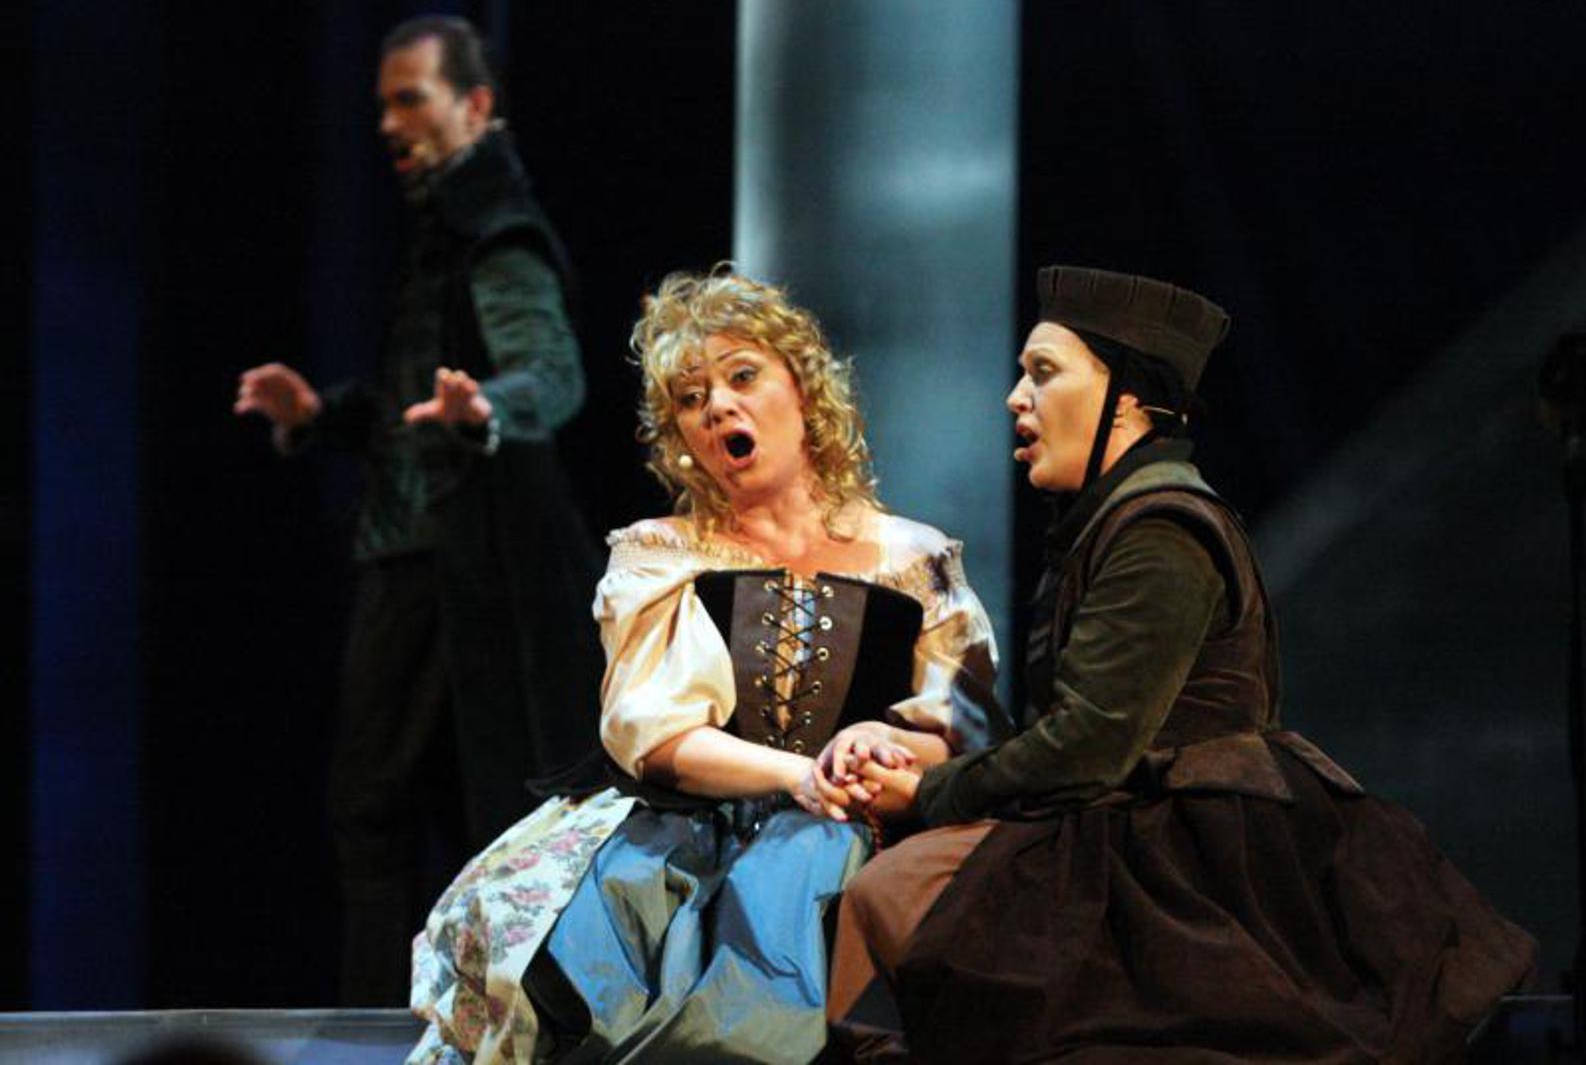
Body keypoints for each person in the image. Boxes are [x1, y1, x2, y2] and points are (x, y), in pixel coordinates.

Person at [826, 266, 1537, 1062]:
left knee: (905, 904)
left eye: (1044, 372)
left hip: (1182, 856)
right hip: (1122, 822)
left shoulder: (1159, 530)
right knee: (893, 905)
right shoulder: (1108, 526)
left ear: (1129, 400)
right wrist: (931, 764)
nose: (1016, 397)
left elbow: (1089, 744)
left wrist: (929, 793)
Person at [407, 268, 1006, 1064]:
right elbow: (655, 737)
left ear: (804, 390)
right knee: (580, 940)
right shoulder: (662, 555)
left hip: (860, 824)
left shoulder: (913, 558)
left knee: (834, 887)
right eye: (691, 398)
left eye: (742, 377)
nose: (718, 406)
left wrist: (882, 747)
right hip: (679, 826)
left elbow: (961, 728)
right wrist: (797, 775)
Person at [233, 15, 602, 1005]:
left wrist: (489, 406)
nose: (390, 124)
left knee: (385, 806)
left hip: (456, 563)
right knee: (432, 805)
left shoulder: (497, 232)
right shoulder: (448, 228)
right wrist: (319, 416)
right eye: (383, 105)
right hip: (428, 551)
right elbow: (409, 405)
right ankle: (430, 1018)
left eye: (411, 100)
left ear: (474, 106)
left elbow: (551, 373)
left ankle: (394, 1028)